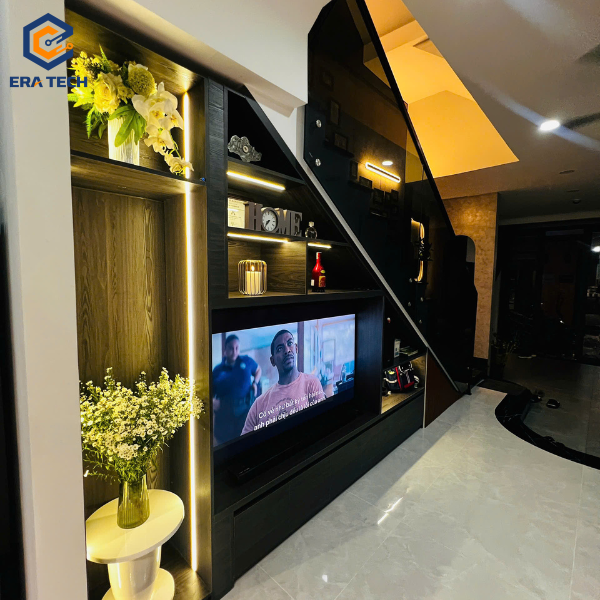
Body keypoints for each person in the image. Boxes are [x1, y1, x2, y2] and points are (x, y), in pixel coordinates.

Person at [242, 330, 325, 435]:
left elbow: (322, 425)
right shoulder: (258, 404)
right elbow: (245, 442)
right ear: (272, 361)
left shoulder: (311, 383)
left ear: (296, 348)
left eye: (290, 343)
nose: (287, 350)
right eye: (280, 349)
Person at [212, 334, 261, 445]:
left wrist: (255, 382)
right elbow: (209, 391)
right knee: (225, 444)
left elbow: (258, 370)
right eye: (231, 348)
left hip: (244, 409)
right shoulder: (217, 370)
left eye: (237, 348)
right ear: (225, 349)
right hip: (225, 413)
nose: (234, 351)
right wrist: (212, 402)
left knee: (246, 441)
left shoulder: (246, 361)